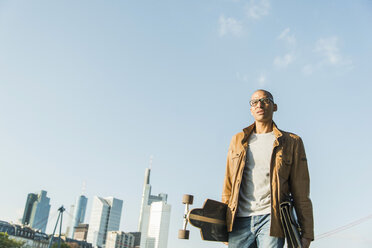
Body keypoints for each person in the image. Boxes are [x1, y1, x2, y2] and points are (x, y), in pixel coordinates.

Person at [222, 89, 314, 248]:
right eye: (254, 102)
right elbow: (228, 185)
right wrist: (223, 225)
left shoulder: (292, 142)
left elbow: (301, 191)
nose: (260, 105)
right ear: (251, 109)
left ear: (274, 106)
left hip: (272, 220)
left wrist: (307, 233)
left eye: (265, 100)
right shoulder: (238, 140)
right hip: (239, 220)